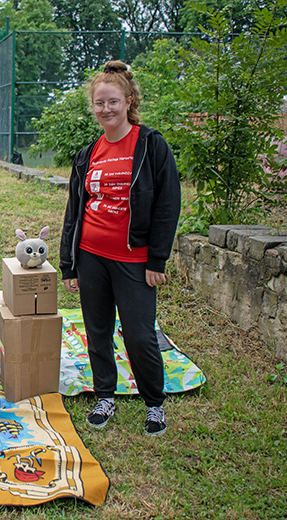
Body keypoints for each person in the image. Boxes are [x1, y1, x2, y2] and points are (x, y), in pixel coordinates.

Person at [59, 61, 181, 436]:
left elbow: (167, 204)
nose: (105, 109)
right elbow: (74, 210)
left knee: (139, 333)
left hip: (134, 259)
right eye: (99, 103)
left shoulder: (150, 144)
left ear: (128, 101)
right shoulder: (87, 153)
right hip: (91, 255)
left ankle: (154, 403)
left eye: (112, 102)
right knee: (97, 329)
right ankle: (105, 395)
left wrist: (157, 258)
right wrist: (70, 264)